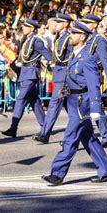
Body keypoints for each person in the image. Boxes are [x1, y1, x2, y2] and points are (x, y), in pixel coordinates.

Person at [42, 21, 107, 185]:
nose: (71, 35)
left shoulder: (87, 58)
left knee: (70, 137)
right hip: (72, 100)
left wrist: (96, 107)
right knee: (88, 138)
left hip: (81, 102)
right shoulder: (73, 54)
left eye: (74, 33)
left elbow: (93, 84)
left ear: (83, 37)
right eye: (71, 32)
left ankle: (57, 173)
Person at [1, 18, 52, 138]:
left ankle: (13, 128)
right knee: (35, 101)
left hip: (30, 73)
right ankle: (45, 126)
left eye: (26, 26)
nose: (23, 28)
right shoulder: (27, 40)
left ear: (32, 28)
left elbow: (48, 54)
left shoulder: (36, 41)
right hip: (25, 72)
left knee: (20, 99)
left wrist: (55, 65)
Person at [33, 13, 72, 144]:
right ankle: (105, 134)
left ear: (65, 24)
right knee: (73, 109)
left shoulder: (69, 38)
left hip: (65, 75)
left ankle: (45, 133)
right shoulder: (58, 37)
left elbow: (72, 57)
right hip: (59, 74)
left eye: (59, 22)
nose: (56, 24)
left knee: (54, 104)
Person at [80, 13, 107, 147]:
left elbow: (105, 62)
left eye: (87, 23)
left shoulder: (98, 40)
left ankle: (106, 136)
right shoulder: (85, 40)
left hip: (93, 77)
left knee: (96, 106)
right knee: (81, 108)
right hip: (81, 77)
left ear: (94, 26)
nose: (84, 26)